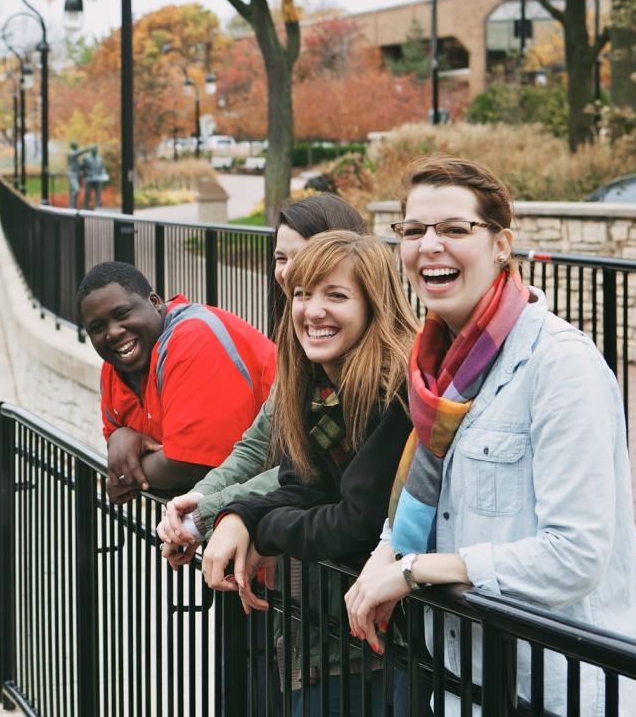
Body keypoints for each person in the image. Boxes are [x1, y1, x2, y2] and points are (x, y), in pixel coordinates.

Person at [343, 155, 636, 714]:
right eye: (413, 230)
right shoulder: (436, 367)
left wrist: (413, 571)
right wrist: (387, 550)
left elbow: (576, 555)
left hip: (559, 692)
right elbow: (426, 498)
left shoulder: (559, 365)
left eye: (455, 229)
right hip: (464, 687)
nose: (429, 245)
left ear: (502, 243)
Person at [199, 232, 419, 716]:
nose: (312, 311)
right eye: (302, 294)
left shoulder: (396, 391)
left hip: (403, 645)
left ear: (373, 305)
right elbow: (301, 486)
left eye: (335, 296)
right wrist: (237, 516)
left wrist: (263, 528)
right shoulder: (320, 389)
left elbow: (354, 522)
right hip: (355, 632)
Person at [155, 193, 369, 564]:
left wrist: (213, 515)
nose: (287, 272)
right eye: (280, 259)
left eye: (301, 258)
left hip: (345, 563)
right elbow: (257, 443)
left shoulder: (366, 371)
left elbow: (306, 472)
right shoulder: (299, 348)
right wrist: (199, 500)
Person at [78, 261, 276, 504]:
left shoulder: (194, 338)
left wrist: (124, 474)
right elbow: (120, 449)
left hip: (297, 483)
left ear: (155, 302)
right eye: (97, 328)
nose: (113, 332)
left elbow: (194, 466)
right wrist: (121, 435)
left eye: (122, 314)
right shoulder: (114, 368)